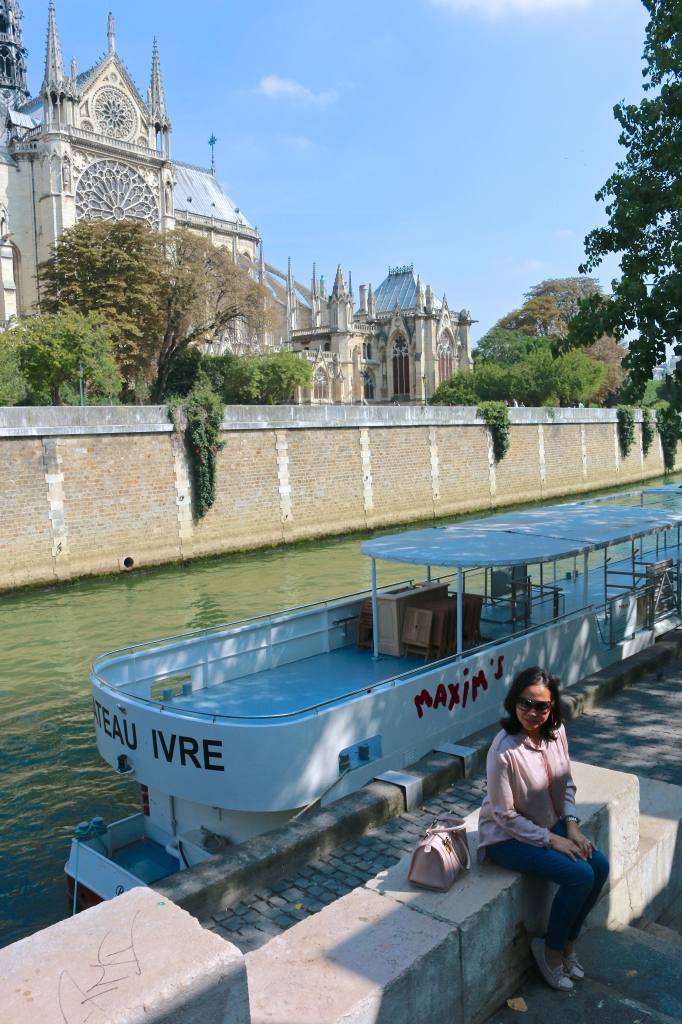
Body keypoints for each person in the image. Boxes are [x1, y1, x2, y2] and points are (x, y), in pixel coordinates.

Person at [477, 667, 609, 992]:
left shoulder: (557, 732)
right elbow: (504, 815)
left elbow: (566, 785)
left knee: (600, 866)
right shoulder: (503, 751)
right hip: (506, 837)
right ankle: (550, 952)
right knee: (581, 876)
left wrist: (572, 826)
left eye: (541, 706)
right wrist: (553, 841)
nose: (532, 713)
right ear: (514, 702)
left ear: (552, 708)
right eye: (525, 703)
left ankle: (566, 945)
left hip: (548, 825)